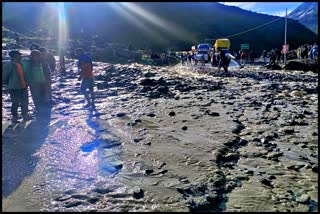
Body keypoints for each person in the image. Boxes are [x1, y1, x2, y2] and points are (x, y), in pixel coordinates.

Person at [2, 50, 31, 123]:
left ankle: (25, 115)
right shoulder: (9, 65)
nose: (20, 56)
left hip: (23, 86)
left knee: (25, 102)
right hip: (14, 87)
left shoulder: (20, 64)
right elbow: (5, 76)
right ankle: (14, 117)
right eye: (19, 55)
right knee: (15, 102)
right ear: (15, 56)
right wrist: (7, 84)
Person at [24, 50, 49, 115]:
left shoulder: (42, 62)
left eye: (38, 55)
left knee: (43, 95)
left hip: (43, 82)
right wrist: (29, 82)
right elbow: (27, 73)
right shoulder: (29, 64)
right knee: (36, 97)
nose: (37, 57)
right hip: (34, 84)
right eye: (36, 56)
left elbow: (47, 72)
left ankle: (42, 108)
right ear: (32, 56)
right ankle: (38, 109)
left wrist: (47, 80)